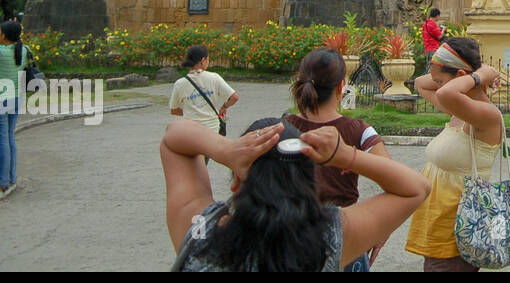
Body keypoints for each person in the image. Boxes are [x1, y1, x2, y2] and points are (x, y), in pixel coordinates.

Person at [161, 115, 430, 271]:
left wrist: (225, 150)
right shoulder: (331, 237)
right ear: (311, 181)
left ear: (236, 181)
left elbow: (174, 136)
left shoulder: (200, 230)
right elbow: (415, 188)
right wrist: (345, 154)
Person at [286, 47, 391, 271]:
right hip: (345, 235)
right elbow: (393, 178)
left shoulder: (282, 128)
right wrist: (381, 226)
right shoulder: (360, 131)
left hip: (291, 235)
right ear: (341, 87)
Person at [404, 36, 503, 272]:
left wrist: (477, 77)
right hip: (440, 226)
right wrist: (471, 74)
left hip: (459, 230)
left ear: (459, 78)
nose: (437, 86)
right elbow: (420, 83)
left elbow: (446, 93)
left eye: (441, 81)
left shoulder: (485, 115)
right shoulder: (461, 110)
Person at [168, 45, 238, 134]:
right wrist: (224, 107)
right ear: (203, 61)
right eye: (208, 59)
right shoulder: (214, 78)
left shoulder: (180, 84)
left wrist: (191, 114)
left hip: (191, 132)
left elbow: (174, 110)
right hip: (213, 130)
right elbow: (234, 97)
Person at [0, 19, 31, 199]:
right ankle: (11, 179)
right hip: (17, 98)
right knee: (10, 137)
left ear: (4, 35)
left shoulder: (2, 52)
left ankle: (3, 183)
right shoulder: (24, 50)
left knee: (3, 139)